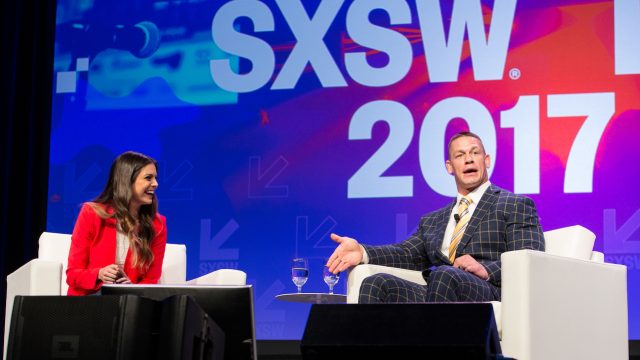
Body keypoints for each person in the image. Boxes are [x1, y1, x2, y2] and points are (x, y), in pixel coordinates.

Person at [326, 131, 544, 303]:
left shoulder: (514, 204)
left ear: (486, 160)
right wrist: (363, 251)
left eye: (475, 153)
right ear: (449, 167)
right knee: (376, 283)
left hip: (489, 290)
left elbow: (529, 257)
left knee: (443, 275)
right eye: (460, 155)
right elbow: (407, 253)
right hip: (440, 292)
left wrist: (485, 269)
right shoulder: (433, 220)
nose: (468, 159)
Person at [66, 151, 167, 295]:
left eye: (155, 178)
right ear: (127, 180)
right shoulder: (91, 213)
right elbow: (73, 274)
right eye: (148, 178)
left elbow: (151, 280)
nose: (155, 184)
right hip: (88, 300)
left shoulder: (157, 224)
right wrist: (99, 274)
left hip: (129, 302)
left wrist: (131, 287)